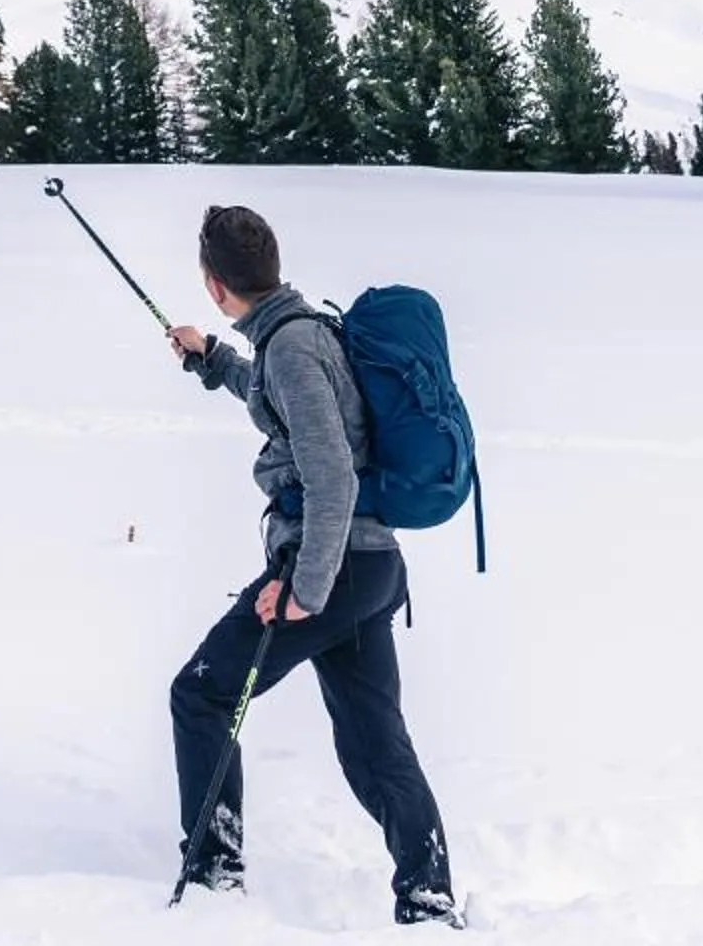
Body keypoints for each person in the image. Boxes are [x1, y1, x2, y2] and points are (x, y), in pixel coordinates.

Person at [167, 203, 461, 928]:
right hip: (365, 567)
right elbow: (285, 408)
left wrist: (301, 590)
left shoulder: (294, 348)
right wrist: (216, 362)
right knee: (372, 739)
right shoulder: (297, 336)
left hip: (332, 568)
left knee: (201, 695)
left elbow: (334, 478)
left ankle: (213, 870)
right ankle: (427, 896)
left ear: (214, 284)